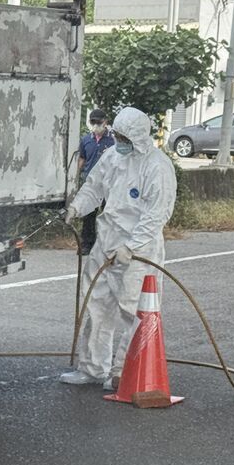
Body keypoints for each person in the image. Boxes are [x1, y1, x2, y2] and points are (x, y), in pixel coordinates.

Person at [60, 106, 177, 389]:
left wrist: (133, 246)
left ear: (137, 138)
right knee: (96, 306)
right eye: (118, 136)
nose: (119, 142)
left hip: (139, 251)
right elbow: (94, 187)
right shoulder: (113, 156)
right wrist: (77, 207)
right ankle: (92, 368)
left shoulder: (156, 166)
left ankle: (125, 371)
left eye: (124, 138)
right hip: (107, 241)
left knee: (134, 310)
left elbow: (157, 213)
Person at [75, 108, 114, 253]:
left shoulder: (113, 140)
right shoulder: (86, 140)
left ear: (105, 122)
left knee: (108, 214)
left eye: (99, 122)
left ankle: (107, 244)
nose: (96, 125)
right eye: (93, 122)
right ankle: (87, 244)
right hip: (90, 184)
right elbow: (82, 159)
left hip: (108, 184)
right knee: (88, 215)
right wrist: (76, 177)